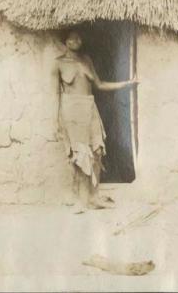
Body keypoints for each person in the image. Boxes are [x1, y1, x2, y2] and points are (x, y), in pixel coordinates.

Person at [51, 30, 138, 210]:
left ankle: (95, 197)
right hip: (71, 111)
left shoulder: (86, 60)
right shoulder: (58, 64)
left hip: (90, 107)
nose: (77, 40)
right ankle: (80, 200)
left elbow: (99, 84)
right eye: (72, 37)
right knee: (79, 155)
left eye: (79, 37)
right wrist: (56, 120)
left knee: (97, 151)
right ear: (65, 41)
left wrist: (126, 84)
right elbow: (55, 95)